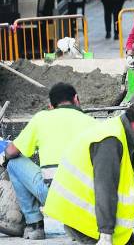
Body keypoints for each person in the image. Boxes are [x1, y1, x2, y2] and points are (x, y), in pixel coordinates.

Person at [44, 98, 134, 245]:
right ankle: (100, 235)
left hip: (91, 208)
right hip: (80, 216)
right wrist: (106, 235)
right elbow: (105, 190)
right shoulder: (110, 141)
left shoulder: (125, 136)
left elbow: (126, 185)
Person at [0, 83, 95, 240]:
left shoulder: (42, 118)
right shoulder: (92, 123)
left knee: (14, 163)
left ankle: (34, 225)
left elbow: (11, 151)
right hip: (86, 199)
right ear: (76, 99)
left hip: (53, 196)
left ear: (50, 106)